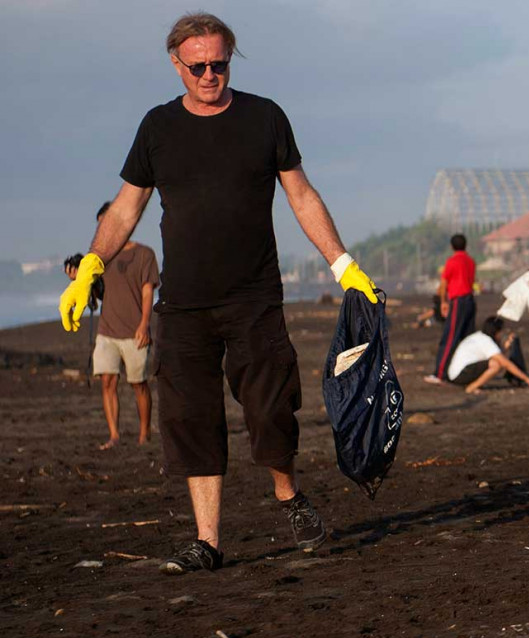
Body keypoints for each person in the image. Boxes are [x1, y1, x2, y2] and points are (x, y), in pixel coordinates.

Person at [57, 13, 377, 576]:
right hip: (183, 304)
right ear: (176, 65)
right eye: (198, 66)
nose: (209, 75)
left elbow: (301, 196)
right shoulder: (157, 127)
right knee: (191, 419)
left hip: (254, 297)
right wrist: (91, 266)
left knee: (271, 410)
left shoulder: (264, 117)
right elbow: (127, 207)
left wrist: (343, 265)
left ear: (231, 59)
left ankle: (288, 494)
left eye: (219, 64)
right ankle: (207, 541)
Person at [65, 201, 160, 450]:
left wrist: (144, 325)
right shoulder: (100, 261)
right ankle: (114, 436)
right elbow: (97, 295)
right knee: (107, 381)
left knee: (139, 384)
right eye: (99, 227)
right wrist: (78, 280)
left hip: (134, 330)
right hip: (107, 330)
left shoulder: (145, 254)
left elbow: (148, 293)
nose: (102, 231)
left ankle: (144, 435)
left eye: (105, 225)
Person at [426, 234, 476, 383]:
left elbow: (444, 284)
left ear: (451, 246)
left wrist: (443, 302)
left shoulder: (452, 261)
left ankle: (440, 374)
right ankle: (468, 373)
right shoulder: (471, 261)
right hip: (470, 301)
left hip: (458, 301)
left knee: (449, 338)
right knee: (467, 339)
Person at [447, 316, 529, 394]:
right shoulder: (486, 341)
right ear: (496, 331)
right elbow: (505, 363)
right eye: (501, 331)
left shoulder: (480, 336)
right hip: (460, 375)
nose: (502, 334)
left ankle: (473, 385)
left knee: (497, 362)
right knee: (496, 365)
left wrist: (505, 348)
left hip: (457, 373)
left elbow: (498, 356)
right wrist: (527, 379)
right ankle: (471, 388)